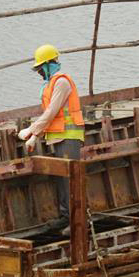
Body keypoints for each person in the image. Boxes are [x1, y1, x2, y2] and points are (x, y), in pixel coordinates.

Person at [17, 44, 85, 232]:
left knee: (71, 179)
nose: (39, 72)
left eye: (40, 68)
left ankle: (78, 222)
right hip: (57, 137)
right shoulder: (50, 84)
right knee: (62, 179)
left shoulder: (61, 83)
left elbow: (51, 112)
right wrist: (35, 137)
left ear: (49, 64)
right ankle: (66, 217)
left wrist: (32, 131)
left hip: (69, 136)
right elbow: (50, 116)